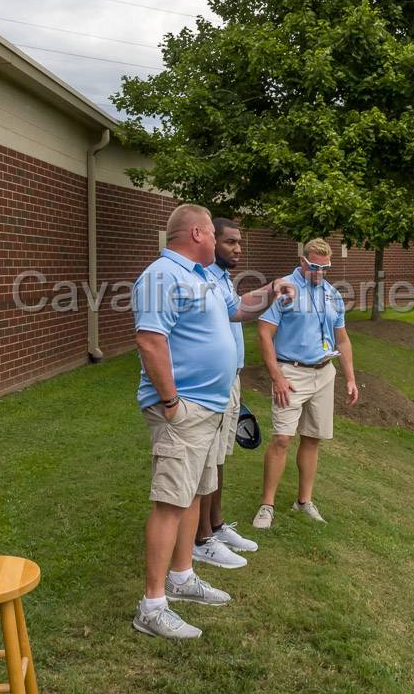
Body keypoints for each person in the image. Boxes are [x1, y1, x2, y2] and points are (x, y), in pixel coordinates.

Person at [132, 204, 293, 640]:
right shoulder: (162, 275)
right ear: (200, 233)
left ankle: (183, 577)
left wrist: (275, 289)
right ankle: (151, 606)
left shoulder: (204, 277)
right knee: (170, 502)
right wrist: (171, 403)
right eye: (214, 233)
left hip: (210, 406)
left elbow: (238, 310)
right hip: (183, 409)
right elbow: (150, 340)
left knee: (191, 497)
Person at [252, 238, 358, 530]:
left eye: (325, 268)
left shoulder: (332, 294)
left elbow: (342, 339)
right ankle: (267, 504)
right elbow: (263, 333)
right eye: (314, 267)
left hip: (324, 373)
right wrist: (277, 377)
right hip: (292, 373)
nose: (319, 273)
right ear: (302, 261)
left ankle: (303, 502)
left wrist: (349, 377)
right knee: (282, 438)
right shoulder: (284, 288)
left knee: (312, 439)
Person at [191, 218, 258, 570]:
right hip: (211, 383)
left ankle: (215, 526)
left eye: (239, 242)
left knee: (220, 458)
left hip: (230, 379)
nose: (237, 248)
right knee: (206, 461)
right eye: (231, 242)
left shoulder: (223, 280)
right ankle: (200, 539)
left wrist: (275, 293)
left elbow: (238, 314)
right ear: (212, 241)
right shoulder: (201, 279)